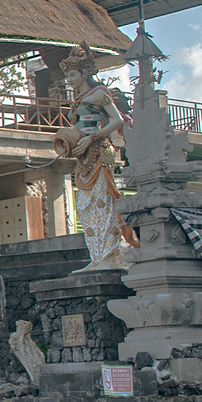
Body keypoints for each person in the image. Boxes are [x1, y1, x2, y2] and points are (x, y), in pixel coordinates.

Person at [56, 43, 134, 272]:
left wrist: (92, 138)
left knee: (103, 204)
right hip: (83, 155)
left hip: (99, 150)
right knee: (87, 206)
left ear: (84, 73)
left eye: (72, 75)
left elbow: (117, 120)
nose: (69, 80)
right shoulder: (78, 100)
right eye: (67, 76)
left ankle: (110, 256)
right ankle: (97, 256)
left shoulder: (99, 93)